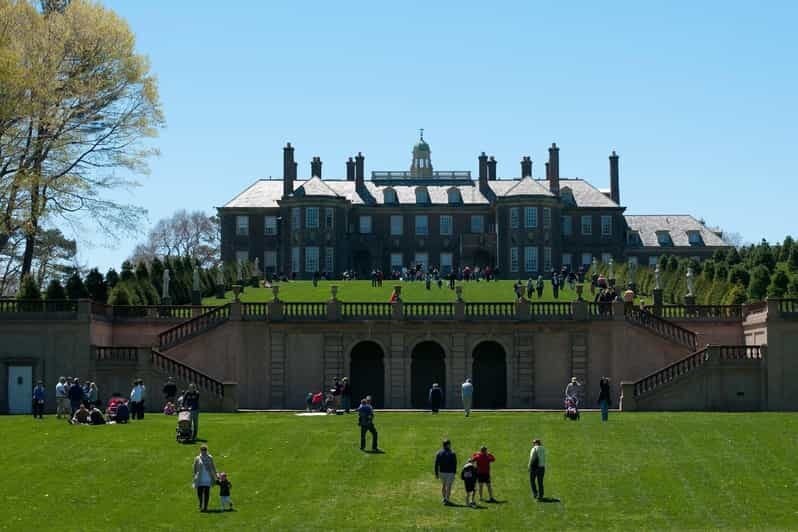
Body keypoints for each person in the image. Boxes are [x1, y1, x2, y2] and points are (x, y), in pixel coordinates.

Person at [192, 445, 218, 512]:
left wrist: (216, 474)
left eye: (205, 450)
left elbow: (213, 466)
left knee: (206, 493)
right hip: (200, 477)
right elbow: (194, 467)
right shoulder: (197, 458)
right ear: (200, 450)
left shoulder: (210, 457)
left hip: (207, 477)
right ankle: (200, 504)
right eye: (202, 450)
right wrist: (195, 475)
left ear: (206, 450)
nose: (203, 452)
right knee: (199, 493)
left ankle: (205, 507)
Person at [434, 439, 457, 505]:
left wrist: (436, 473)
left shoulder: (439, 453)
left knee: (444, 485)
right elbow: (455, 463)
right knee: (449, 486)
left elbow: (436, 464)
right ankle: (447, 500)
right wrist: (454, 472)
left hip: (441, 472)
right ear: (447, 445)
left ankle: (444, 498)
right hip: (450, 472)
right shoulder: (452, 453)